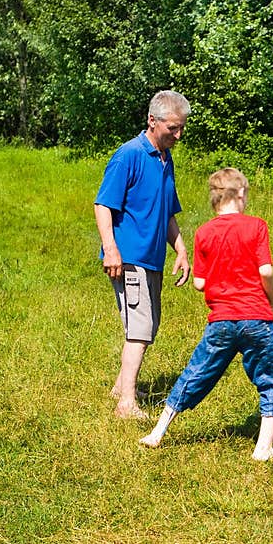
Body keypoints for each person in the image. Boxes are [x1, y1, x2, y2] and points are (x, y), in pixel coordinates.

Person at [139, 168, 273, 461]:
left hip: (221, 320)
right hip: (256, 317)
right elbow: (266, 270)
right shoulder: (256, 226)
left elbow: (200, 283)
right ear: (241, 194)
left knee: (197, 373)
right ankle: (263, 448)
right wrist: (269, 297)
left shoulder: (204, 232)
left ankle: (157, 432)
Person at [94, 90, 192, 419]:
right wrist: (111, 249)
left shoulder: (166, 159)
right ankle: (126, 404)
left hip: (153, 258)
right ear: (153, 121)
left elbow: (167, 213)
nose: (178, 135)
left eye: (181, 129)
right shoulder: (129, 155)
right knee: (140, 328)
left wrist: (180, 249)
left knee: (148, 328)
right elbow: (103, 205)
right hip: (129, 256)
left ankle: (120, 386)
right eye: (172, 128)